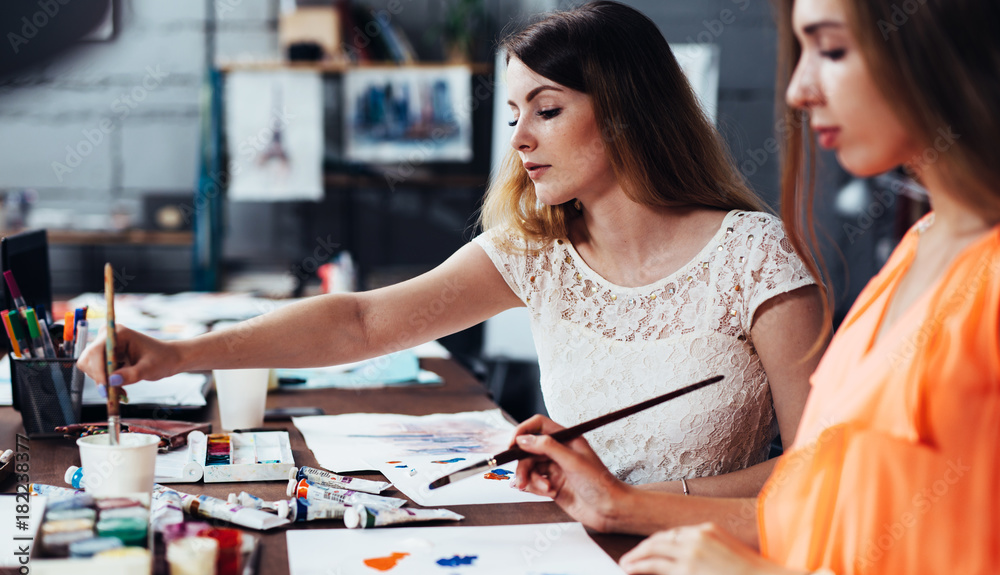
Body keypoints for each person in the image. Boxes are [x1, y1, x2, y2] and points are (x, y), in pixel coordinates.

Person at [79, 2, 822, 491]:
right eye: (513, 114)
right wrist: (181, 355)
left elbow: (820, 472)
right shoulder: (539, 247)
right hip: (566, 551)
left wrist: (635, 501)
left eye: (549, 109)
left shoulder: (752, 257)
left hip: (702, 565)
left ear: (628, 114)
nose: (522, 138)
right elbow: (363, 322)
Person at [515, 0, 1000, 575]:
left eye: (831, 50)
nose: (799, 89)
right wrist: (622, 504)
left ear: (940, 47)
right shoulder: (921, 247)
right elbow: (818, 517)